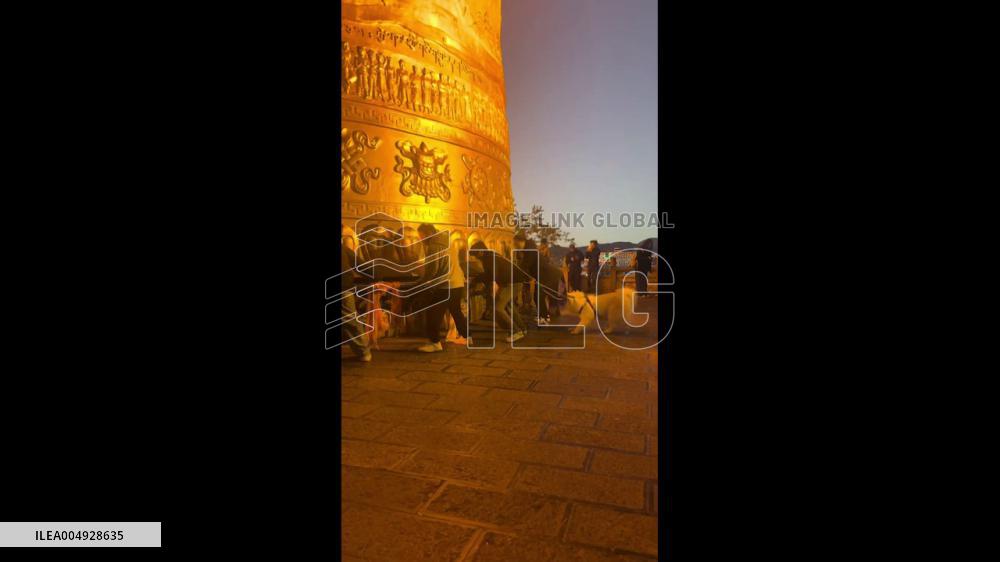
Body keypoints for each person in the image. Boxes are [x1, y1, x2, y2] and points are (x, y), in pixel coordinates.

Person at [414, 224, 467, 352]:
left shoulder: (434, 246)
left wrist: (422, 282)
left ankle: (434, 342)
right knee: (456, 311)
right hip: (457, 282)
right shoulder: (446, 241)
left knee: (433, 313)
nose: (421, 239)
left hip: (445, 285)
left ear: (426, 234)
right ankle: (467, 336)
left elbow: (433, 270)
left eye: (421, 236)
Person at [471, 239, 530, 342]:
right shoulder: (492, 256)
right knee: (508, 306)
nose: (476, 258)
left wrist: (476, 279)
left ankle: (515, 331)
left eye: (476, 255)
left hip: (511, 283)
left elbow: (493, 274)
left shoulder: (489, 258)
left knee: (498, 308)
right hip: (514, 282)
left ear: (480, 252)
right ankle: (522, 329)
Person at [340, 233, 372, 362]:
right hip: (343, 287)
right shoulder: (343, 248)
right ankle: (363, 351)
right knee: (350, 320)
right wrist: (377, 276)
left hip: (341, 288)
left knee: (349, 319)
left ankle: (363, 351)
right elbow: (361, 266)